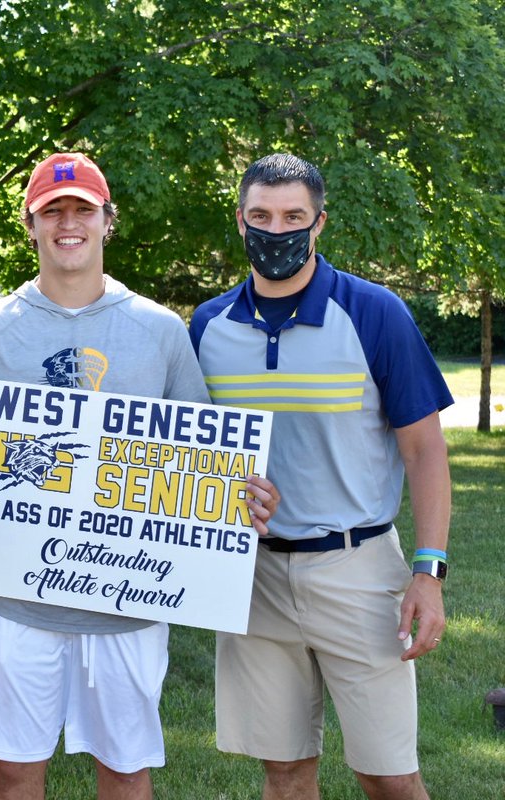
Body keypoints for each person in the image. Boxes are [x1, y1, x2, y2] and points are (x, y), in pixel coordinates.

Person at [0, 152, 277, 800]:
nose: (69, 224)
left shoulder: (158, 330)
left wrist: (243, 498)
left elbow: (197, 462)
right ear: (29, 224)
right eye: (52, 212)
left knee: (125, 773)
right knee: (13, 774)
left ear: (106, 221)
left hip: (130, 602)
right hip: (18, 598)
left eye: (82, 211)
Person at [190, 153, 451, 800]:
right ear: (241, 221)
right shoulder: (207, 326)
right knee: (283, 771)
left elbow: (424, 451)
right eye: (261, 216)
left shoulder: (374, 312)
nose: (275, 231)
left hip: (357, 569)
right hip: (252, 578)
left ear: (319, 223)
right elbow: (193, 457)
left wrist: (429, 571)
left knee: (387, 775)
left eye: (293, 217)